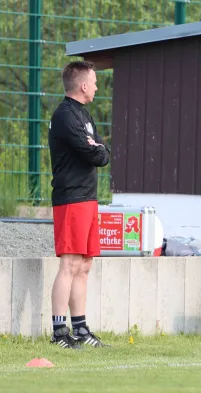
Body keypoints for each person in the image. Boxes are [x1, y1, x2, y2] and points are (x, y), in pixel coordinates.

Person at [48, 60, 110, 349]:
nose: (97, 87)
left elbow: (102, 152)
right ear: (83, 85)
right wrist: (95, 148)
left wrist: (96, 147)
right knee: (69, 264)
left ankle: (81, 329)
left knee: (85, 265)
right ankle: (59, 332)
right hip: (70, 198)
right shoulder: (64, 116)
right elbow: (92, 152)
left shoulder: (84, 115)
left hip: (89, 198)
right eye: (95, 82)